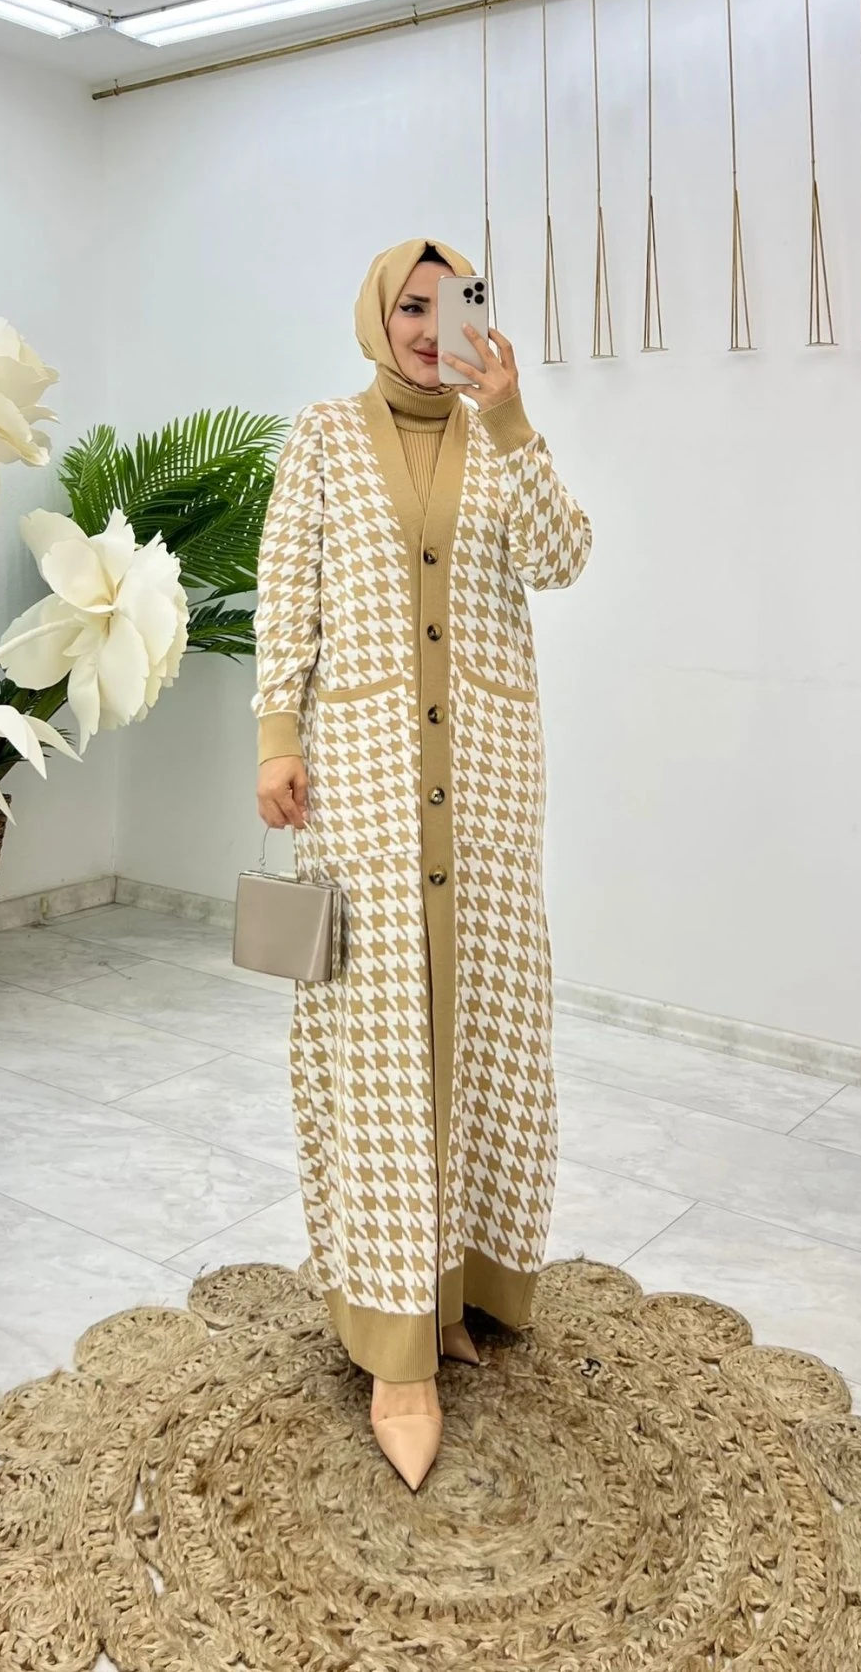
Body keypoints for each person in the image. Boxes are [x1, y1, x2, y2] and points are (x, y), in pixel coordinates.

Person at [253, 237, 592, 1491]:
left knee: (484, 1029)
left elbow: (562, 559)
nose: (427, 323)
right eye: (409, 303)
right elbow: (285, 591)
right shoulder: (323, 436)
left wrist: (511, 420)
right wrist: (276, 734)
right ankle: (397, 1347)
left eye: (450, 303)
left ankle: (459, 1287)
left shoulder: (499, 436)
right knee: (386, 1046)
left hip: (489, 789)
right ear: (377, 314)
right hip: (368, 784)